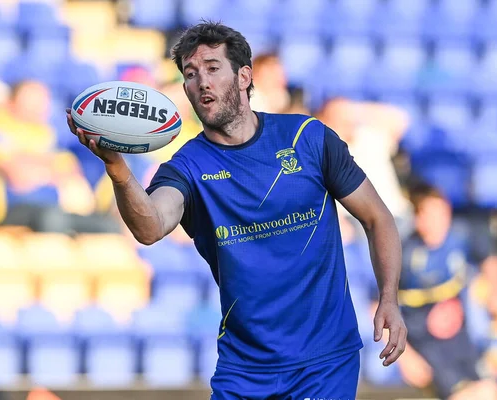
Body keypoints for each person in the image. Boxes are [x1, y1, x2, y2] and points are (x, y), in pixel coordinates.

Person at [66, 21, 406, 399]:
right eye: (191, 74)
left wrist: (389, 297)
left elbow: (378, 217)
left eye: (213, 68)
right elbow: (151, 227)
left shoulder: (307, 138)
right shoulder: (187, 167)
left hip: (323, 363)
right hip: (243, 369)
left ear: (244, 76)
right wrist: (116, 167)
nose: (202, 83)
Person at [399, 181, 497, 400]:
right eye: (432, 215)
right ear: (418, 219)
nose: (440, 222)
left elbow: (490, 257)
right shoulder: (404, 256)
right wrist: (405, 356)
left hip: (460, 336)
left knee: (490, 391)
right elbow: (376, 306)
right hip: (426, 344)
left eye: (442, 213)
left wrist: (496, 292)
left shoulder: (459, 235)